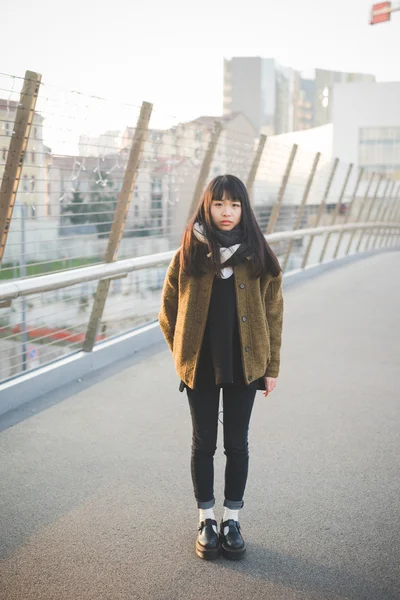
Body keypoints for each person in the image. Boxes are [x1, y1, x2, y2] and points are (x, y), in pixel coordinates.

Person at [159, 174, 284, 561]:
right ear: (206, 207)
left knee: (236, 444)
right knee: (203, 444)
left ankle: (232, 518)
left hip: (246, 364)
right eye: (218, 204)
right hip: (200, 366)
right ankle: (206, 519)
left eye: (234, 204)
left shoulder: (258, 256)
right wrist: (183, 356)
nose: (226, 212)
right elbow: (167, 311)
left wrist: (272, 366)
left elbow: (274, 313)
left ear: (244, 209)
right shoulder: (189, 255)